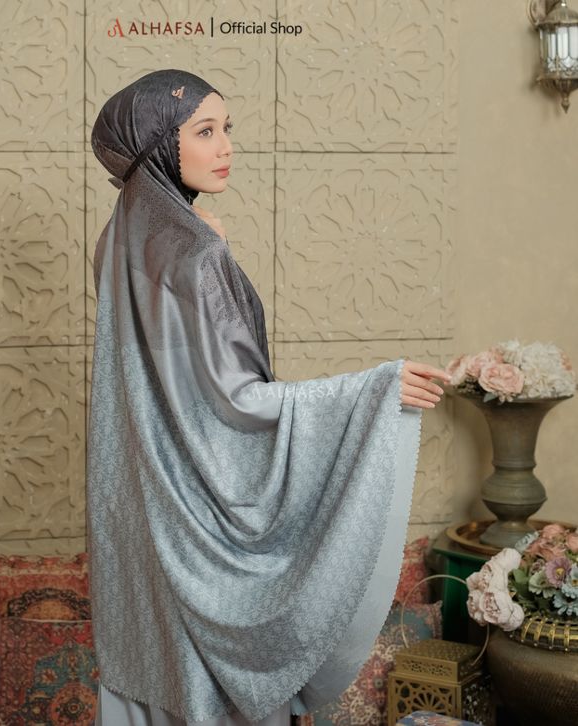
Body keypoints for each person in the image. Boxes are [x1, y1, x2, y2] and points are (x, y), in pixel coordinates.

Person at [87, 68, 451, 726]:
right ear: (159, 146)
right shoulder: (196, 253)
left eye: (227, 129)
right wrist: (374, 391)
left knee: (155, 682)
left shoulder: (117, 243)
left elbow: (170, 385)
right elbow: (234, 402)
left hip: (136, 513)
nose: (226, 146)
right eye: (204, 131)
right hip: (195, 521)